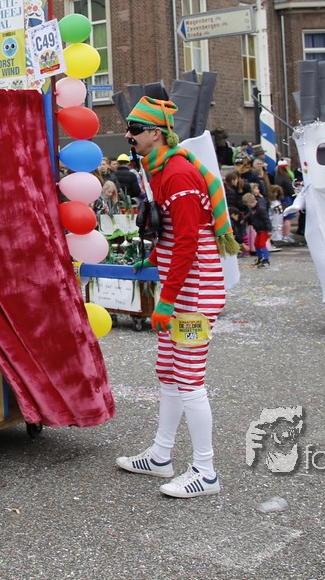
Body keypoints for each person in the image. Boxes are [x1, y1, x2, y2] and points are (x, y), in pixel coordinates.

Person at [115, 97, 233, 499]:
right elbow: (175, 237)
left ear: (156, 133)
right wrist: (153, 261)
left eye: (135, 129)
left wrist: (166, 301)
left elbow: (187, 243)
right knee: (168, 372)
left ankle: (205, 471)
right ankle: (161, 455)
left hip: (192, 295)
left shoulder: (177, 174)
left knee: (188, 379)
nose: (128, 135)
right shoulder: (161, 169)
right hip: (184, 291)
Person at [243, 192, 271, 268]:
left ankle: (266, 260)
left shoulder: (260, 209)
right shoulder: (253, 209)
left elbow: (266, 219)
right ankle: (260, 258)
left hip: (264, 229)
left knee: (262, 244)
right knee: (256, 244)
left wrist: (269, 230)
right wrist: (245, 219)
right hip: (258, 229)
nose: (248, 206)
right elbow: (249, 214)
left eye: (249, 205)